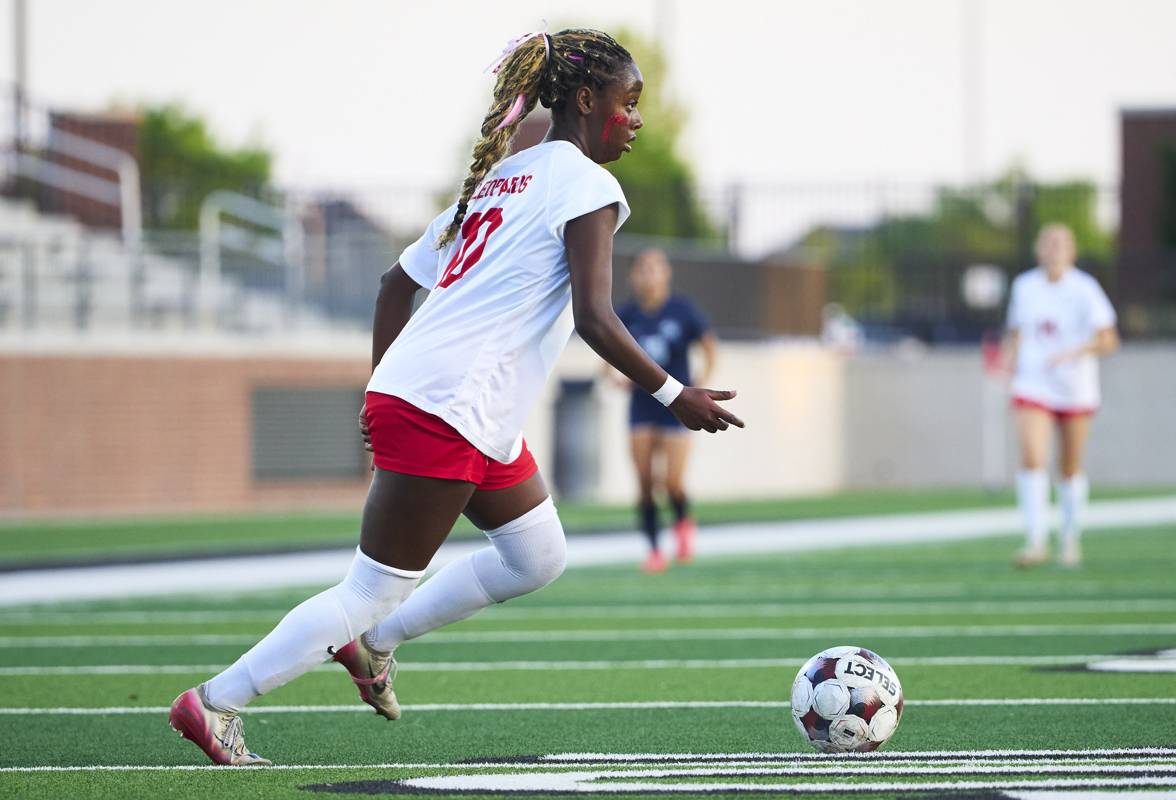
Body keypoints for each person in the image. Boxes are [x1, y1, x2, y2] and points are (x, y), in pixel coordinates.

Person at [166, 28, 743, 766]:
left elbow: (392, 287)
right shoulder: (587, 184)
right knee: (370, 588)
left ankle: (377, 646)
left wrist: (383, 392)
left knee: (536, 553)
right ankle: (216, 702)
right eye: (628, 103)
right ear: (587, 99)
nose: (634, 120)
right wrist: (674, 393)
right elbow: (597, 318)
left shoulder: (499, 179)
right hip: (451, 406)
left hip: (449, 403)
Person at [1003, 223, 1118, 569]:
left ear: (1072, 251)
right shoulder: (1023, 286)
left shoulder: (1085, 289)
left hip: (1074, 387)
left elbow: (1109, 339)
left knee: (1069, 465)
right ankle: (1035, 540)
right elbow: (1017, 332)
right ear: (1038, 250)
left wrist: (1075, 352)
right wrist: (1007, 359)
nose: (1053, 250)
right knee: (1032, 455)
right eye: (1047, 244)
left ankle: (1070, 538)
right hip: (1033, 383)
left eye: (1060, 244)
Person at [615, 249, 717, 573]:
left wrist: (700, 382)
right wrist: (612, 376)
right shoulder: (627, 313)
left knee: (672, 482)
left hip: (675, 407)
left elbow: (709, 348)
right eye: (643, 269)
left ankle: (684, 523)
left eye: (655, 268)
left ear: (666, 273)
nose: (649, 274)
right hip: (641, 405)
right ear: (633, 276)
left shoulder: (682, 310)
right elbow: (609, 350)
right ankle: (655, 550)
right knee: (645, 482)